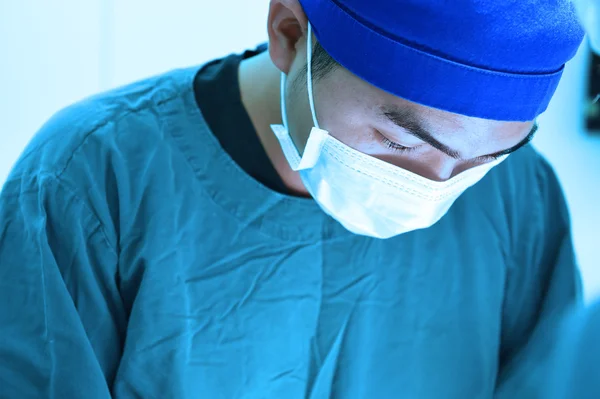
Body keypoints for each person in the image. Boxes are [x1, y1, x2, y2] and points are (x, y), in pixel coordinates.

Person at [0, 0, 585, 397]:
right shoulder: (93, 174)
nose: (433, 190)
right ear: (290, 33)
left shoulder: (520, 194)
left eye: (482, 161)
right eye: (397, 142)